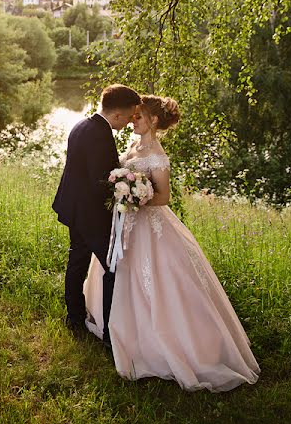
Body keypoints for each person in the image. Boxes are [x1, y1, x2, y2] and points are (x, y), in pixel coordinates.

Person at [84, 95, 260, 392]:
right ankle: (112, 325)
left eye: (138, 116)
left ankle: (171, 343)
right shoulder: (134, 146)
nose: (133, 120)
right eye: (133, 116)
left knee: (160, 280)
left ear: (153, 121)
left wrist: (135, 196)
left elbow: (163, 196)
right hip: (127, 223)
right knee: (116, 270)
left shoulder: (157, 154)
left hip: (150, 225)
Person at [52, 84, 141, 345]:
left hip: (74, 208)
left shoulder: (83, 125)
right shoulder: (100, 135)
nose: (127, 123)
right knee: (113, 267)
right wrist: (128, 190)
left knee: (77, 261)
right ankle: (110, 331)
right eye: (128, 117)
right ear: (117, 115)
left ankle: (75, 317)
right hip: (91, 215)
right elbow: (101, 181)